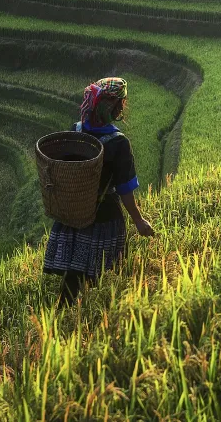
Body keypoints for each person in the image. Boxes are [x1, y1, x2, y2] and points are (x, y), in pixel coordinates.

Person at [43, 77, 155, 307]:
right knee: (100, 271)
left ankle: (69, 313)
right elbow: (125, 190)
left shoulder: (76, 131)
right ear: (116, 108)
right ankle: (87, 315)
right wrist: (139, 221)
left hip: (74, 212)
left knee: (75, 271)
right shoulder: (118, 143)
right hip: (103, 216)